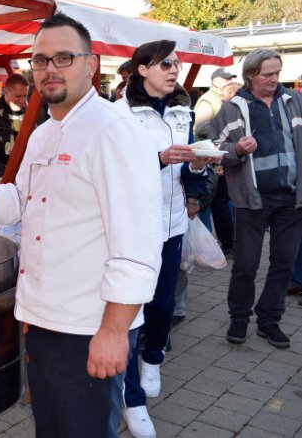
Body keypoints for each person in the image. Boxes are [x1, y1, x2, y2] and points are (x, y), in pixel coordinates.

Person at [0, 13, 163, 438]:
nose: (49, 69)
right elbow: (21, 198)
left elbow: (138, 244)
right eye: (40, 60)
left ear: (90, 65)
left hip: (88, 325)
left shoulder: (114, 131)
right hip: (45, 320)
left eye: (63, 57)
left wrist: (114, 333)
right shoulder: (45, 132)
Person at [114, 40, 216, 438]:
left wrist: (197, 170)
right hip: (131, 227)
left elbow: (186, 170)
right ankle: (131, 398)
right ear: (142, 69)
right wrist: (159, 159)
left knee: (163, 304)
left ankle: (152, 358)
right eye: (165, 64)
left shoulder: (181, 110)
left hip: (171, 224)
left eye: (176, 63)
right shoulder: (119, 115)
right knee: (128, 315)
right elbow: (114, 170)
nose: (174, 70)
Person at [209, 48, 302, 350]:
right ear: (250, 74)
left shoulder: (293, 101)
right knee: (246, 264)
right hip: (252, 199)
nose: (274, 80)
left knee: (283, 264)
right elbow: (215, 149)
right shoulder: (233, 107)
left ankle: (269, 319)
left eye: (277, 73)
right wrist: (237, 151)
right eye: (267, 75)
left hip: (290, 198)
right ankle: (239, 316)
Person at [195, 68, 237, 255]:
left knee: (222, 202)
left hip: (221, 156)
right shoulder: (207, 100)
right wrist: (224, 126)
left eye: (230, 79)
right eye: (225, 79)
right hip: (208, 158)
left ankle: (227, 242)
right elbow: (201, 127)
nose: (228, 81)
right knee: (211, 201)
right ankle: (210, 244)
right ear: (215, 81)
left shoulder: (227, 98)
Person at [0, 74, 28, 167]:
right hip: (2, 169)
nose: (22, 101)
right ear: (6, 92)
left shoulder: (27, 112)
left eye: (25, 96)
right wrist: (11, 148)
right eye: (18, 96)